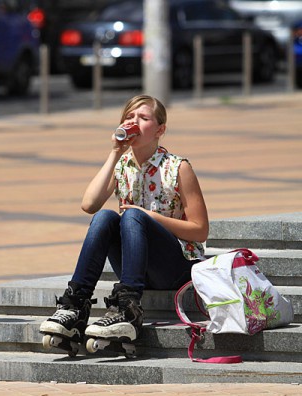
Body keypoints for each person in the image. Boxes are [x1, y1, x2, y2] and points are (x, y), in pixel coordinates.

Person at [39, 94, 209, 352]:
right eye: (129, 117)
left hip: (176, 267)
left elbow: (200, 230)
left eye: (143, 118)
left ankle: (128, 309)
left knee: (132, 215)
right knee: (105, 216)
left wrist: (149, 217)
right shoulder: (121, 166)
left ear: (160, 130)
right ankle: (75, 306)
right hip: (136, 267)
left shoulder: (178, 167)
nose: (134, 122)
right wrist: (115, 153)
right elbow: (89, 204)